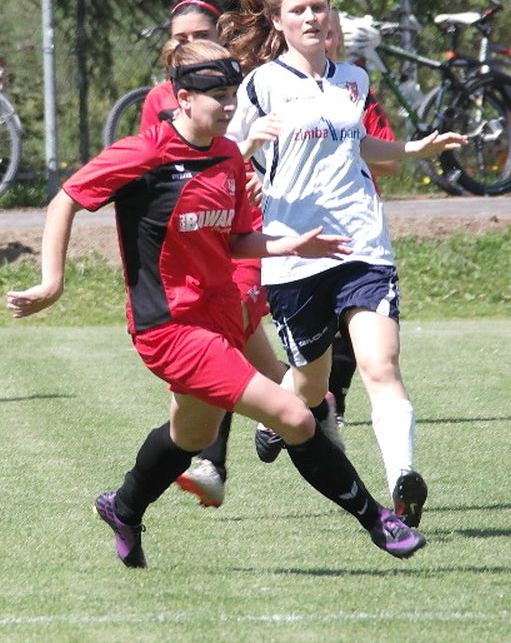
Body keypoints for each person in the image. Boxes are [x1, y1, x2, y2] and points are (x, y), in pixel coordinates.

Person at [6, 39, 427, 568]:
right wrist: (52, 283)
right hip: (170, 328)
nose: (230, 106)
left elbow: (234, 241)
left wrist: (290, 245)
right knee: (294, 416)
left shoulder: (227, 155)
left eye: (232, 94)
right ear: (183, 99)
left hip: (222, 316)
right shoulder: (145, 153)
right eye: (218, 97)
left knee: (193, 434)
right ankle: (379, 521)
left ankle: (124, 506)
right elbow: (65, 199)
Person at [223, 0, 467, 527]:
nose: (311, 17)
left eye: (319, 7)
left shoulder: (353, 79)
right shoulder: (260, 85)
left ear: (330, 13)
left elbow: (359, 146)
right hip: (295, 254)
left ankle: (402, 479)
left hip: (362, 244)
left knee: (381, 363)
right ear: (278, 21)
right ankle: (278, 411)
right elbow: (222, 162)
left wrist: (413, 150)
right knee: (311, 386)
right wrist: (249, 145)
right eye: (298, 10)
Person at [139, 0, 290, 509]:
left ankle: (215, 461)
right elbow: (161, 176)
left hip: (237, 241)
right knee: (241, 361)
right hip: (191, 256)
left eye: (199, 34)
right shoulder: (160, 101)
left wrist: (260, 172)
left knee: (226, 348)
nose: (187, 42)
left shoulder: (248, 88)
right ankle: (306, 406)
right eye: (179, 36)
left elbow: (256, 158)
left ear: (219, 37)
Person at [324, 7, 398, 426]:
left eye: (332, 33)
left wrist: (342, 150)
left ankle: (333, 399)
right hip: (295, 227)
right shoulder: (274, 88)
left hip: (354, 223)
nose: (325, 40)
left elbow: (390, 160)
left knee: (355, 313)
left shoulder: (357, 92)